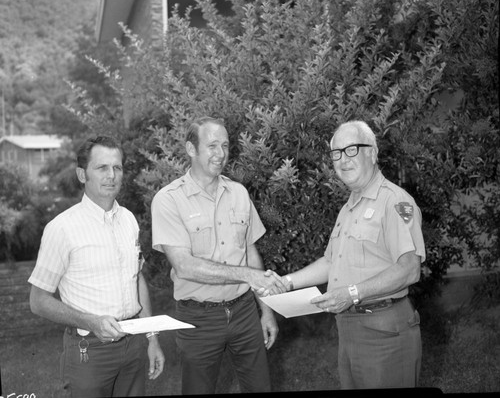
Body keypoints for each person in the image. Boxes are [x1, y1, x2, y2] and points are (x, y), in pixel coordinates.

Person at [282, 120, 425, 389]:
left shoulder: (395, 201)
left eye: (351, 150)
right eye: (336, 153)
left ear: (372, 152)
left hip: (384, 332)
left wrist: (352, 293)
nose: (342, 160)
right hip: (349, 330)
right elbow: (330, 262)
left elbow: (409, 268)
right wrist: (286, 282)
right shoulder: (349, 207)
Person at [151, 116, 285, 395]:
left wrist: (267, 312)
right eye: (212, 145)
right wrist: (246, 275)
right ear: (191, 149)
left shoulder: (238, 193)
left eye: (225, 145)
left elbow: (250, 252)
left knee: (260, 387)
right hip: (198, 318)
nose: (221, 154)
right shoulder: (168, 199)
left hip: (244, 312)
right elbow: (184, 266)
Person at [28, 135, 165, 397]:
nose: (111, 175)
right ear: (82, 174)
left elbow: (137, 280)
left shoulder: (128, 220)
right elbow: (38, 300)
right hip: (89, 351)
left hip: (133, 343)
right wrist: (89, 320)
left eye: (117, 167)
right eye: (102, 167)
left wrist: (151, 338)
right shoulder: (62, 228)